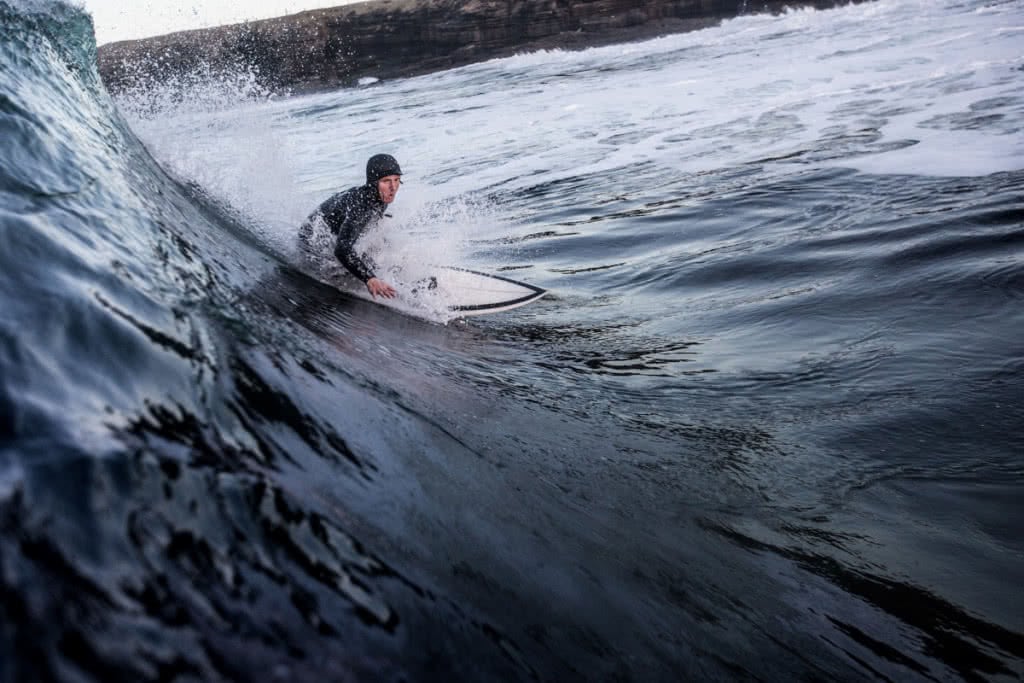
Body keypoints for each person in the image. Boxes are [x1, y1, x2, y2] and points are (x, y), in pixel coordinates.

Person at [299, 153, 403, 299]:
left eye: (397, 180)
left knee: (375, 259)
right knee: (361, 271)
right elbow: (342, 249)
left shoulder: (380, 196)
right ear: (373, 183)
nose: (393, 187)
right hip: (311, 240)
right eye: (386, 181)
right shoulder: (362, 208)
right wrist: (369, 278)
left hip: (331, 230)